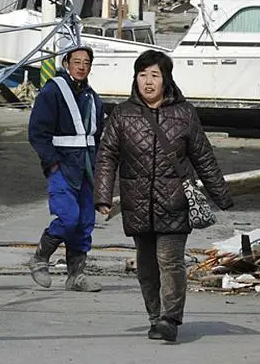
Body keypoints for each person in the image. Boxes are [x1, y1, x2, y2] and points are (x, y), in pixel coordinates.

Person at [94, 50, 233, 343]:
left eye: (154, 75)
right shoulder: (122, 114)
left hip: (174, 201)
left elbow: (203, 156)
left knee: (169, 260)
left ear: (166, 79)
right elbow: (107, 156)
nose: (147, 81)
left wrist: (222, 196)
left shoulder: (184, 113)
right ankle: (155, 317)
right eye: (142, 75)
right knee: (146, 265)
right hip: (137, 203)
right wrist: (103, 196)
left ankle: (171, 318)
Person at [27, 45, 104, 292]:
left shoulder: (93, 97)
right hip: (62, 166)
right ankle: (40, 257)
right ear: (66, 63)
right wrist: (52, 163)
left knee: (84, 222)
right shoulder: (52, 92)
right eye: (77, 62)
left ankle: (76, 275)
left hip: (87, 168)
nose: (82, 67)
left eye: (86, 63)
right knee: (68, 217)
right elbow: (37, 132)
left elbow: (98, 136)